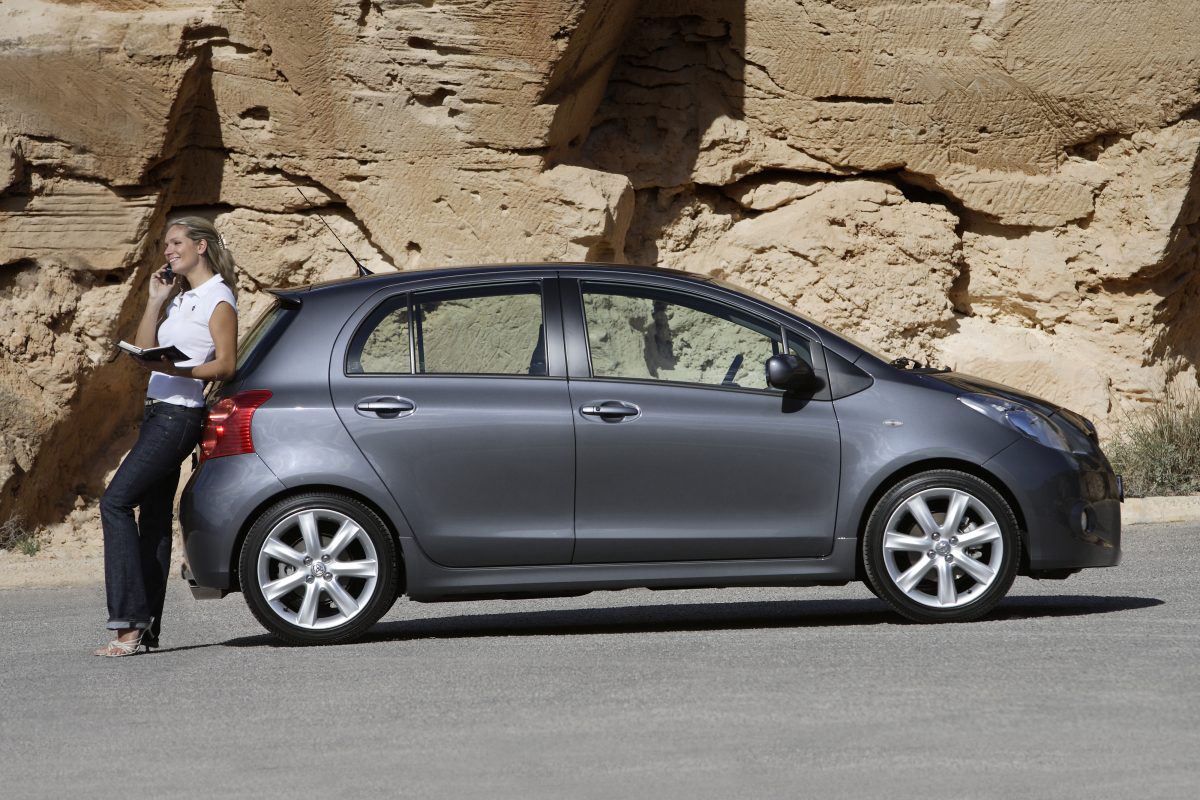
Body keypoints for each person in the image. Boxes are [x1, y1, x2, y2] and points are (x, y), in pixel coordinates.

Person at [93, 216, 238, 657]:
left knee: (115, 502)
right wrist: (155, 301)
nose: (168, 251)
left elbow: (226, 364)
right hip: (157, 412)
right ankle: (147, 630)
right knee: (154, 521)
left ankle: (128, 625)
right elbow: (144, 353)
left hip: (179, 416)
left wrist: (179, 370)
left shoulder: (218, 298)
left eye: (175, 243)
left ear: (201, 246)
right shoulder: (181, 297)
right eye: (166, 245)